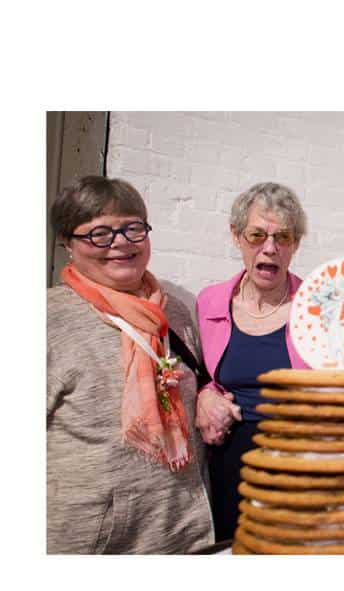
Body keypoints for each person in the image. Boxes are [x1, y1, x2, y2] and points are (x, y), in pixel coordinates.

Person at [47, 176, 213, 554]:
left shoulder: (174, 312)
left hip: (182, 531)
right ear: (68, 245)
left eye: (132, 228)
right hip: (94, 542)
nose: (120, 243)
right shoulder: (49, 319)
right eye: (99, 234)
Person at [195, 182, 309, 542]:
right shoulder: (210, 302)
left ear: (296, 244)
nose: (270, 249)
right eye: (257, 235)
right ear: (237, 236)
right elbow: (201, 375)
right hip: (229, 467)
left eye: (283, 238)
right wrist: (205, 396)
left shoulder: (318, 309)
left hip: (295, 471)